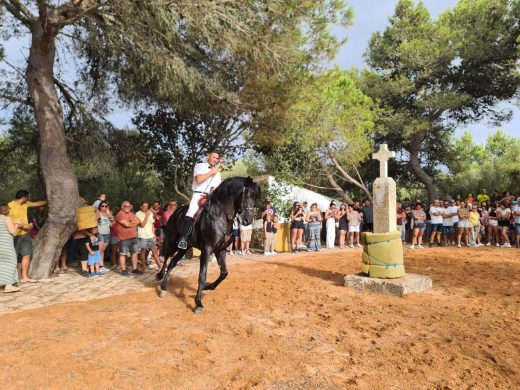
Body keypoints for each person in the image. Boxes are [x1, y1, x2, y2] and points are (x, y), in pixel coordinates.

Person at [178, 151, 222, 249]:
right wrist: (211, 172)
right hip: (198, 194)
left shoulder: (217, 172)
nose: (215, 159)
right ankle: (183, 239)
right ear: (208, 156)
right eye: (214, 157)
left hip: (211, 196)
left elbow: (217, 187)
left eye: (217, 158)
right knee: (191, 211)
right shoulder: (200, 166)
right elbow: (199, 179)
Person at [8, 190, 47, 283]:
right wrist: (23, 225)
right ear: (23, 197)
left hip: (25, 234)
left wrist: (48, 200)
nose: (28, 199)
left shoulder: (25, 204)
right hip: (13, 236)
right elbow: (6, 220)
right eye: (27, 197)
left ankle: (24, 277)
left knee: (27, 254)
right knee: (14, 257)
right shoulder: (10, 206)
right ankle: (11, 280)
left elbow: (36, 203)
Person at [115, 201, 142, 276]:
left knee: (134, 253)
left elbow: (139, 220)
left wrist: (132, 222)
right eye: (126, 206)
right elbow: (127, 225)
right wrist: (133, 222)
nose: (128, 208)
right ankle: (123, 270)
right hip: (124, 238)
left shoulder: (131, 213)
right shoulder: (120, 214)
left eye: (129, 206)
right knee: (123, 254)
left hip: (134, 236)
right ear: (122, 207)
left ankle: (135, 269)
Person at [0, 204, 21, 292]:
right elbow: (12, 232)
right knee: (12, 262)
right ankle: (8, 285)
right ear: (6, 210)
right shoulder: (7, 218)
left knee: (1, 264)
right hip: (6, 245)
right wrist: (17, 224)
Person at [97, 201, 113, 272]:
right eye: (102, 206)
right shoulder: (98, 213)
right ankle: (98, 265)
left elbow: (113, 223)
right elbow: (96, 221)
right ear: (100, 206)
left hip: (107, 233)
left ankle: (101, 265)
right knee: (100, 249)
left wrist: (109, 213)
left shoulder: (108, 214)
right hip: (100, 232)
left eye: (105, 206)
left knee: (103, 249)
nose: (104, 207)